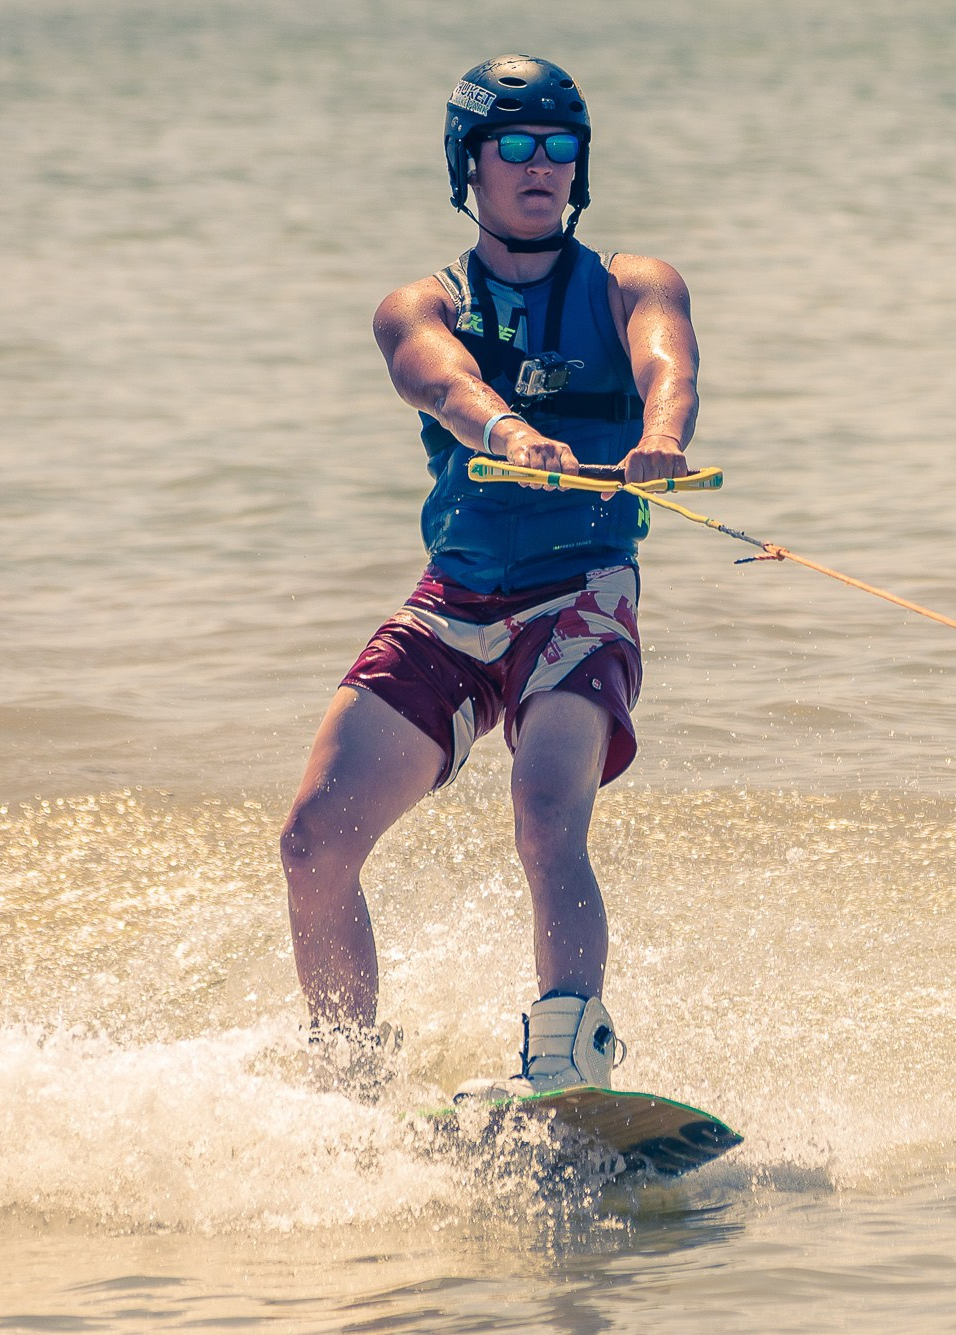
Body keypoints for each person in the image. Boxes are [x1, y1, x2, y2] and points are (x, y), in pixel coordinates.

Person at [278, 55, 700, 1098]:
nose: (539, 167)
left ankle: (566, 1064)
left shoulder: (628, 285)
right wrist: (509, 432)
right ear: (467, 165)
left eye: (559, 149)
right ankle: (347, 1082)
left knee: (544, 807)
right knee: (311, 840)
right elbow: (443, 385)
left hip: (580, 594)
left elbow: (666, 363)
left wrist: (660, 435)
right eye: (513, 146)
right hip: (457, 599)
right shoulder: (418, 304)